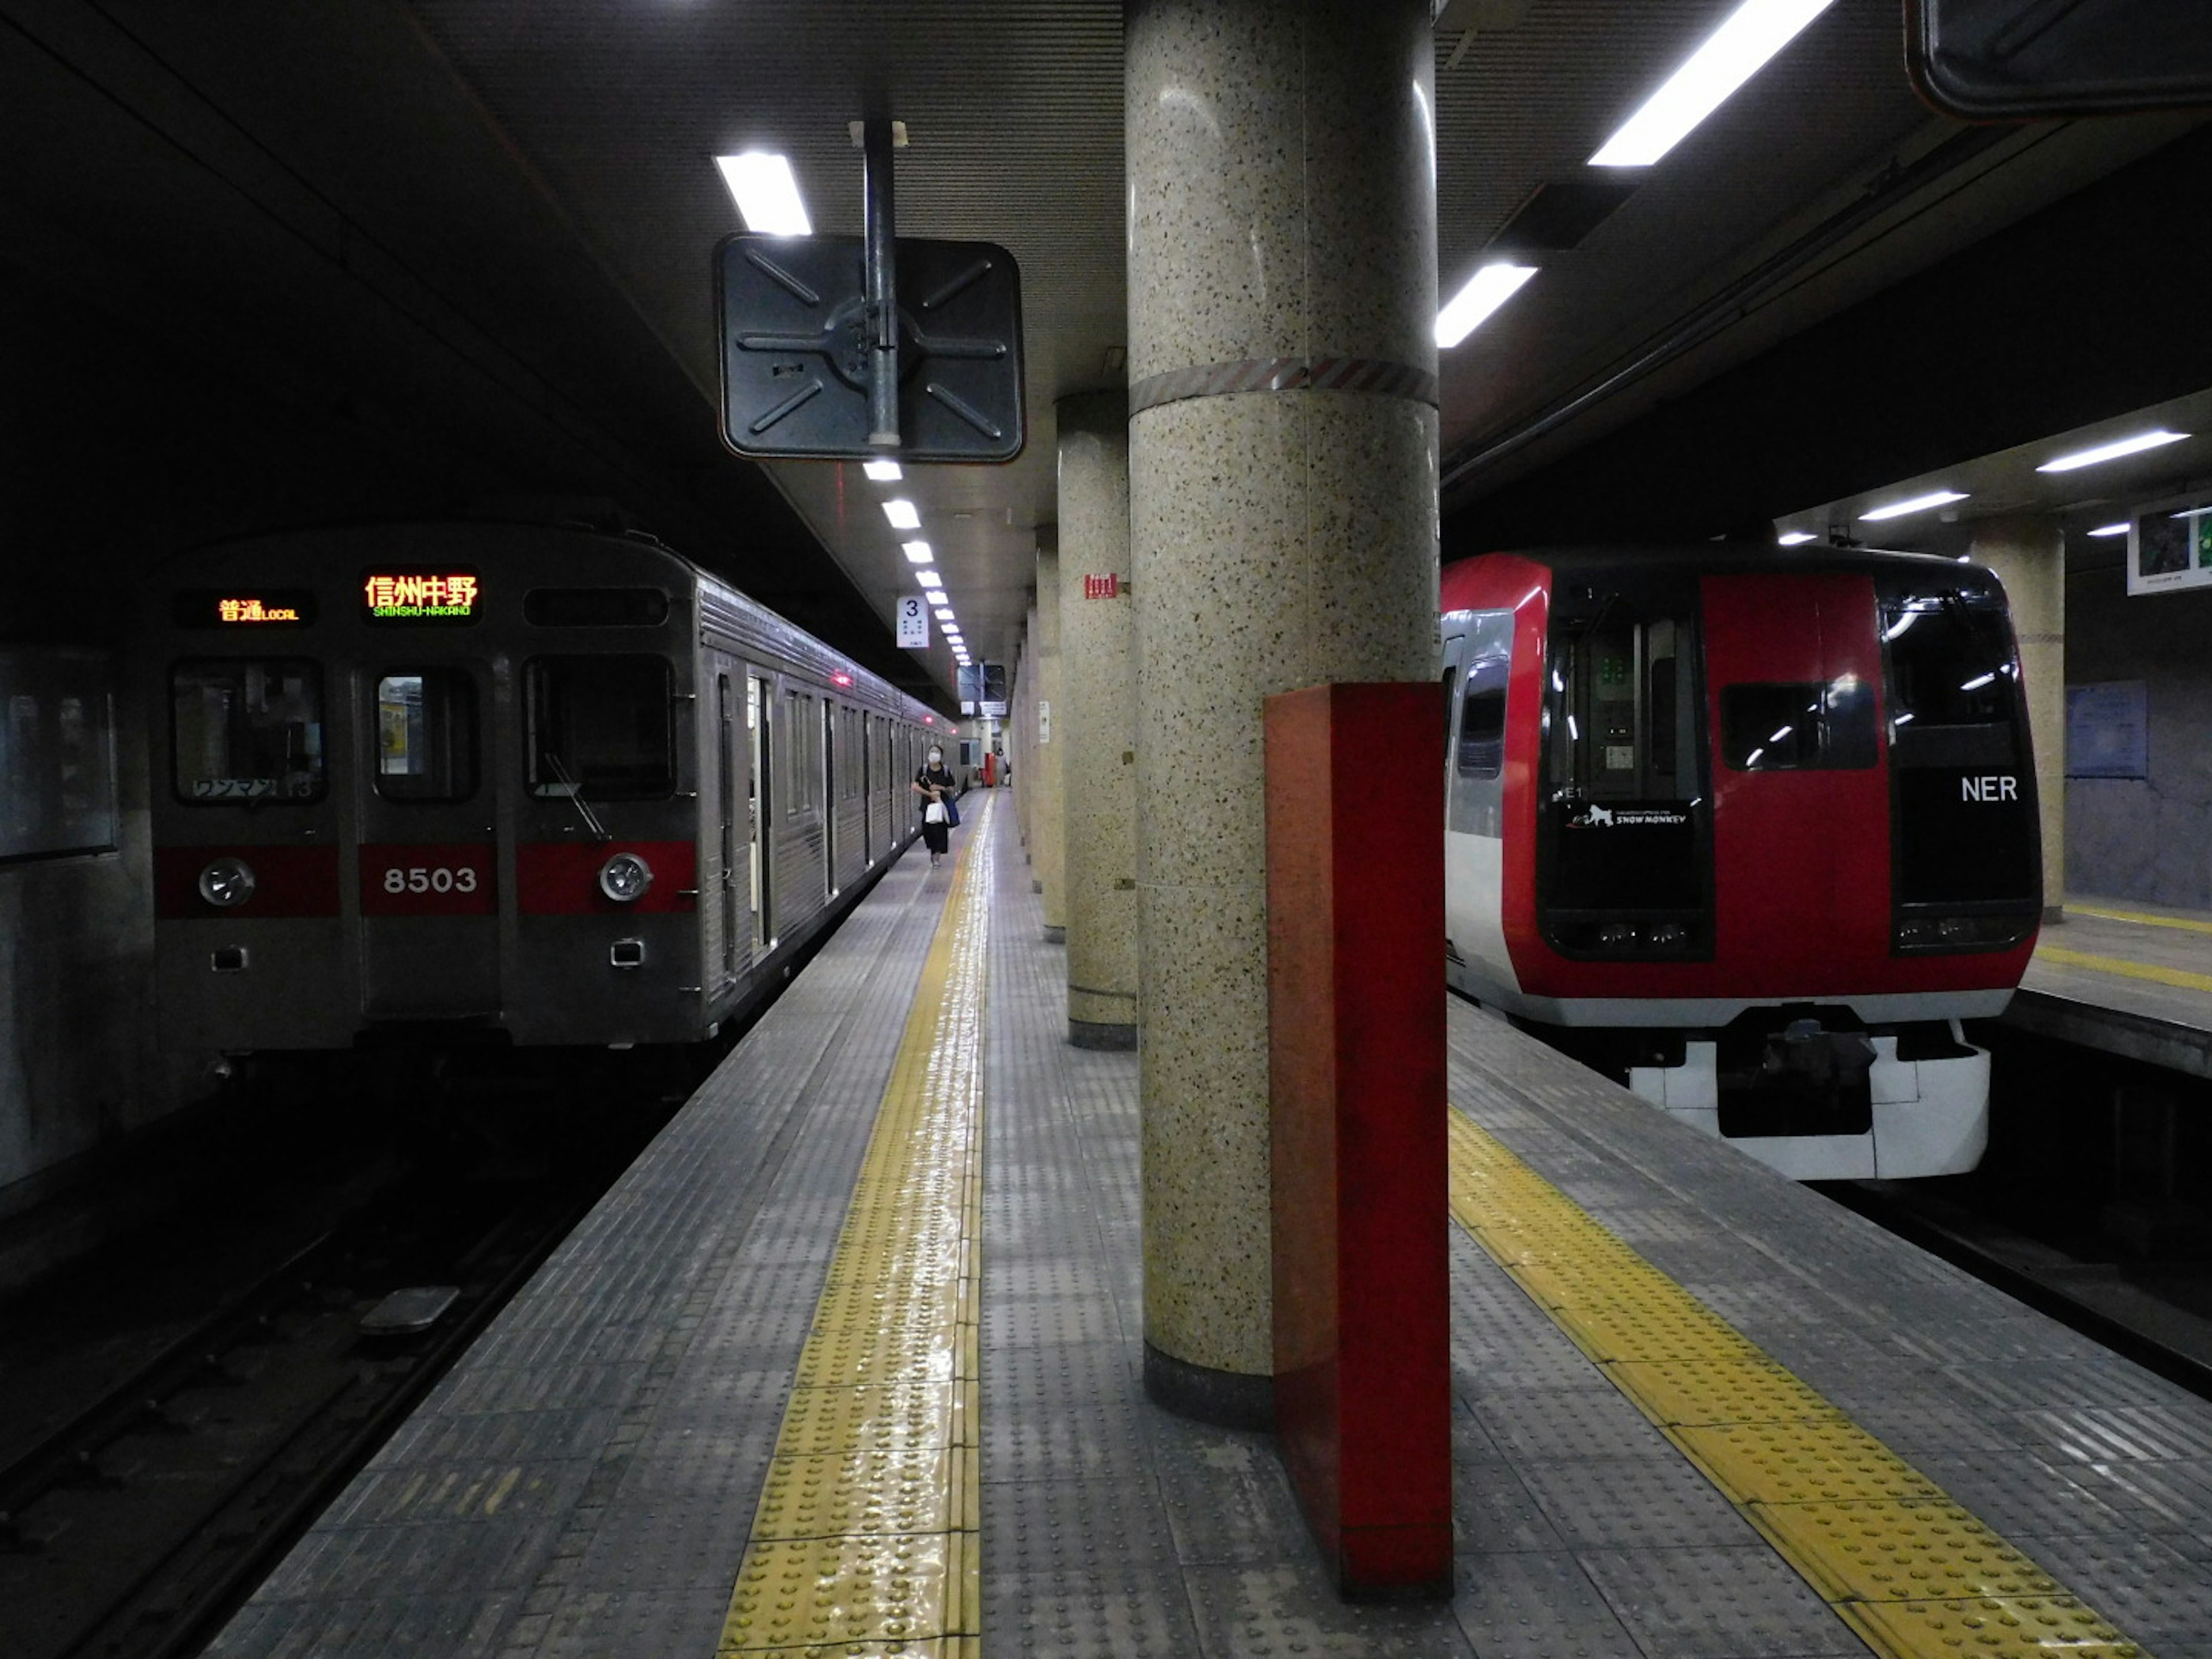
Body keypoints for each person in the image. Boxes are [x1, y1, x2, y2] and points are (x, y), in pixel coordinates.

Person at [912, 744, 958, 867]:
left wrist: (941, 788)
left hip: (942, 807)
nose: (934, 754)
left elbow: (952, 788)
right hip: (927, 807)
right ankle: (933, 852)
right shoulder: (923, 770)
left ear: (941, 755)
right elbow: (915, 786)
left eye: (937, 752)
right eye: (932, 751)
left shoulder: (946, 771)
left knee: (940, 832)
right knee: (928, 832)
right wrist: (929, 794)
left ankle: (936, 857)